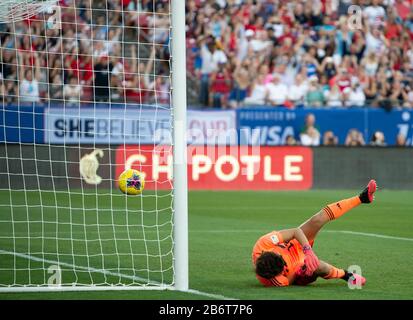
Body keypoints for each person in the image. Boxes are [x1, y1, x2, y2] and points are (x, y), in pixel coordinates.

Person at [252, 180, 377, 287]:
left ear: (269, 252)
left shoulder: (263, 244)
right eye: (283, 268)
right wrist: (304, 274)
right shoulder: (275, 281)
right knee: (318, 267)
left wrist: (308, 251)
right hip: (298, 267)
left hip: (296, 244)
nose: (284, 263)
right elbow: (292, 281)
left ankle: (362, 198)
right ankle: (347, 275)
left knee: (317, 219)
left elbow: (296, 231)